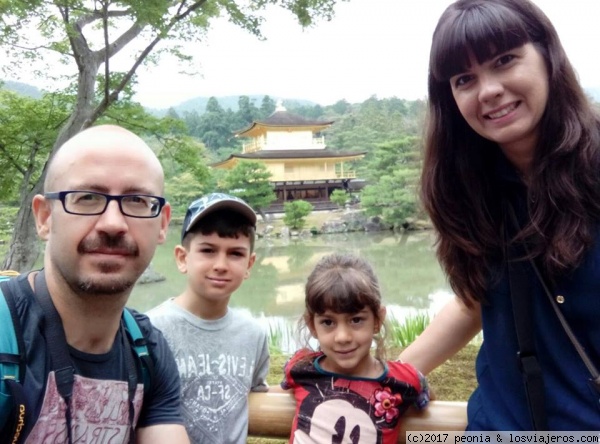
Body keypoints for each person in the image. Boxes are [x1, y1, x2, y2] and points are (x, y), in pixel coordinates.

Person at [399, 0, 600, 431]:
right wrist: (388, 379)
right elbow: (477, 299)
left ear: (548, 55)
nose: (487, 90)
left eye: (505, 60)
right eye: (464, 79)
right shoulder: (472, 189)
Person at [0, 125, 190, 443]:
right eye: (87, 197)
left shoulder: (148, 350)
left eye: (137, 200)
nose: (113, 223)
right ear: (44, 217)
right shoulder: (6, 334)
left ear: (162, 223)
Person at [147, 192, 269, 444]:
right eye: (208, 250)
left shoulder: (253, 334)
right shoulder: (151, 330)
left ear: (249, 264)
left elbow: (257, 391)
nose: (221, 264)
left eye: (235, 254)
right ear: (182, 258)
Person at [282, 253, 429, 444]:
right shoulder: (300, 366)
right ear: (312, 325)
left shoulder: (404, 381)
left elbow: (426, 397)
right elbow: (282, 389)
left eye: (356, 320)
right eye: (328, 322)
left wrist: (472, 438)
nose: (343, 337)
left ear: (377, 320)